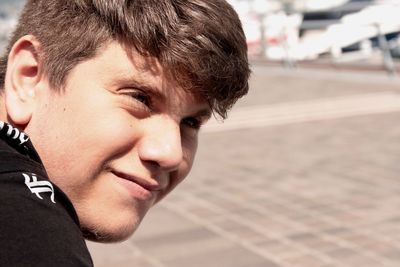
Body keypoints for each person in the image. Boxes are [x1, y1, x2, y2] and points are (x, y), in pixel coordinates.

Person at [0, 0, 250, 266]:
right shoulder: (32, 236)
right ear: (29, 77)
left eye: (190, 122)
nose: (171, 153)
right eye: (139, 98)